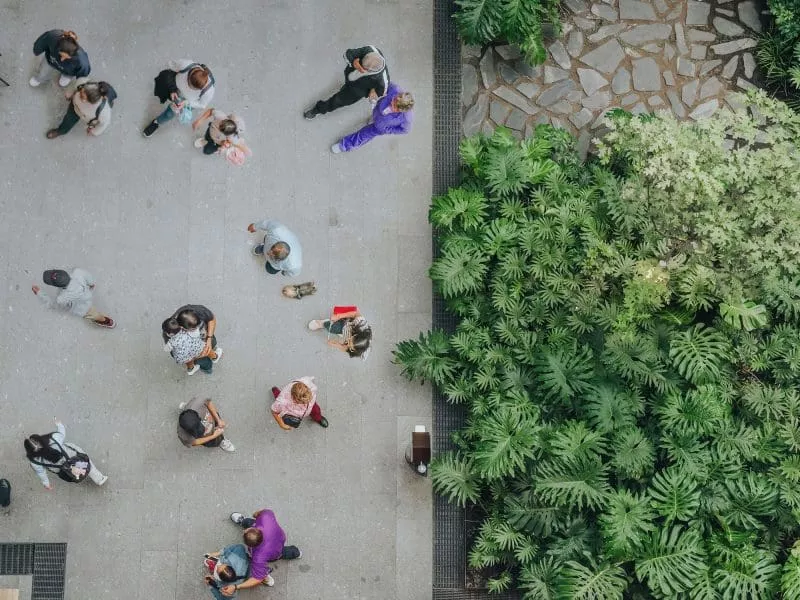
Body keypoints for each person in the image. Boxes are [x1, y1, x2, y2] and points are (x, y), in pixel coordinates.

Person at [225, 509, 300, 594]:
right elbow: (263, 512)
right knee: (284, 552)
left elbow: (257, 579)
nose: (244, 531)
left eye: (244, 532)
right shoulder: (266, 517)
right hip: (280, 539)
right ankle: (297, 553)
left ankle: (266, 577)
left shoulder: (258, 557)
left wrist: (236, 587)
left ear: (251, 546)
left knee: (276, 556)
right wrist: (256, 515)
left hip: (273, 554)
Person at [304, 45, 389, 119]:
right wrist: (353, 63)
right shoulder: (370, 49)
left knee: (336, 101)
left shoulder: (383, 80)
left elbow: (382, 92)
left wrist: (373, 91)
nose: (360, 68)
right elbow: (348, 53)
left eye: (363, 68)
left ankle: (318, 110)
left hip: (355, 92)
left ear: (370, 71)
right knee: (345, 86)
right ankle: (345, 86)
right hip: (349, 77)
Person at [25, 418, 107, 489]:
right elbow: (62, 433)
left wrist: (46, 484)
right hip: (73, 458)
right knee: (85, 462)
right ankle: (99, 479)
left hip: (65, 472)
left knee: (76, 468)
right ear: (41, 439)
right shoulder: (53, 439)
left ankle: (77, 475)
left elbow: (41, 473)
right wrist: (59, 424)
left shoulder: (34, 462)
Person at [331, 84, 414, 153]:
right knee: (373, 119)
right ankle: (373, 119)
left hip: (378, 128)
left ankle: (344, 146)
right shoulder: (394, 89)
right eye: (393, 100)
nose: (391, 103)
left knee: (362, 135)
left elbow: (404, 130)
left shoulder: (406, 119)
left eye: (394, 107)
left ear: (402, 110)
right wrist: (373, 92)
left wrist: (387, 129)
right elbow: (382, 84)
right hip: (376, 111)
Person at [143, 61, 215, 137]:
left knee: (169, 114)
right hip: (175, 88)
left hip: (186, 101)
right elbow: (170, 68)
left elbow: (202, 105)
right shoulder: (185, 65)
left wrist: (186, 103)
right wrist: (172, 90)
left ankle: (157, 122)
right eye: (188, 82)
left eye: (192, 88)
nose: (188, 87)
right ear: (190, 74)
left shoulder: (209, 91)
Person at [32, 268, 115, 328]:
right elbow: (89, 277)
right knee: (92, 310)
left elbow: (54, 305)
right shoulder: (77, 272)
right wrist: (91, 284)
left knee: (93, 314)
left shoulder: (61, 298)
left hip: (83, 309)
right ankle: (101, 319)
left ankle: (104, 321)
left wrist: (39, 293)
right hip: (88, 295)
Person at [46, 79, 116, 139]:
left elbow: (104, 124)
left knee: (109, 100)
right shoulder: (82, 82)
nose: (80, 97)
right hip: (74, 109)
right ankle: (61, 131)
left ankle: (110, 101)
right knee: (68, 121)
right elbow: (74, 87)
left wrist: (94, 131)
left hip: (89, 118)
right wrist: (69, 94)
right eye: (81, 92)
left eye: (83, 97)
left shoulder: (104, 112)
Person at [163, 305, 220, 373]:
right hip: (199, 350)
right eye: (193, 329)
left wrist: (209, 339)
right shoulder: (170, 333)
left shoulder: (196, 311)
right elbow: (173, 352)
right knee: (205, 362)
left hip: (189, 354)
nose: (197, 329)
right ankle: (209, 368)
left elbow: (211, 318)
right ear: (182, 328)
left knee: (190, 361)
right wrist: (197, 356)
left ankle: (191, 369)